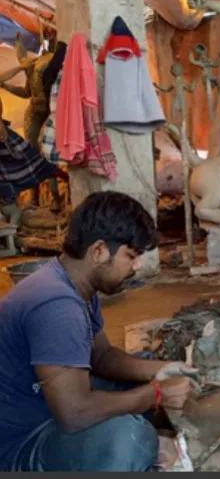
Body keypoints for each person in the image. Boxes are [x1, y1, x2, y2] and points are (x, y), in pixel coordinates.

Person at [0, 191, 198, 471]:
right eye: (131, 255)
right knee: (128, 439)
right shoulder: (57, 307)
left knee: (139, 370)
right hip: (18, 445)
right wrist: (156, 394)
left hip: (45, 405)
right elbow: (74, 413)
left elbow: (102, 356)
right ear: (99, 251)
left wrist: (162, 369)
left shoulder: (73, 285)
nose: (137, 266)